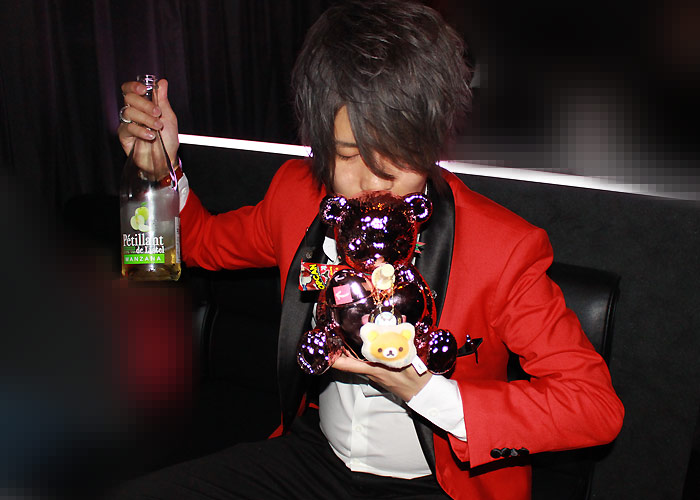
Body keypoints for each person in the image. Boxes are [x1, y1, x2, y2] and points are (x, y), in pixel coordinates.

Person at [111, 1, 624, 498]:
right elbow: (202, 243)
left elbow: (595, 407)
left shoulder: (502, 247)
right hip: (317, 457)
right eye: (349, 155)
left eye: (399, 153)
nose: (374, 180)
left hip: (440, 483)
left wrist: (424, 392)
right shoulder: (296, 195)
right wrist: (162, 170)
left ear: (432, 137)